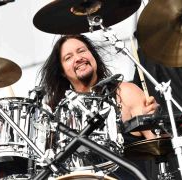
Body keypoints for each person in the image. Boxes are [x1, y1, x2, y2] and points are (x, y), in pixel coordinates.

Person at [38, 34, 159, 179]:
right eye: (68, 57)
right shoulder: (57, 114)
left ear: (92, 55)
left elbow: (159, 146)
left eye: (82, 51)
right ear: (62, 72)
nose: (78, 58)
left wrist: (155, 122)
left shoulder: (125, 92)